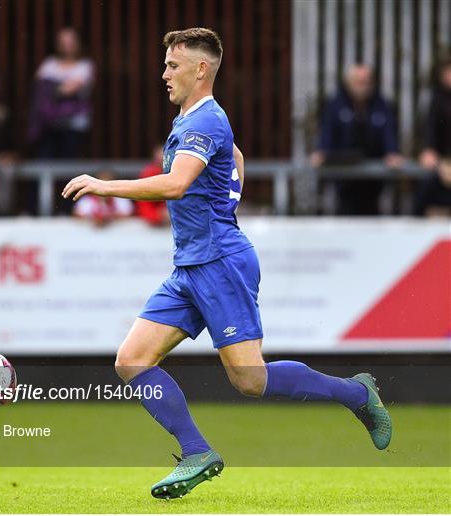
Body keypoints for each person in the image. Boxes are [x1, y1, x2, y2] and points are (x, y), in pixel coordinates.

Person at [62, 28, 392, 500]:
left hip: (220, 262)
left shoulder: (205, 122)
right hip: (190, 266)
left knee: (250, 381)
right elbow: (234, 158)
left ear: (201, 69)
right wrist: (226, 189)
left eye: (173, 65)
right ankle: (196, 451)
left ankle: (358, 394)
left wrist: (104, 185)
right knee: (132, 360)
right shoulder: (198, 121)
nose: (164, 74)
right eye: (165, 65)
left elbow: (176, 185)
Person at [310, 64, 403, 215]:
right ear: (348, 82)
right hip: (345, 176)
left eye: (365, 81)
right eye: (357, 81)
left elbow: (388, 132)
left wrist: (392, 152)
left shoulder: (381, 105)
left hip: (373, 179)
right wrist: (322, 151)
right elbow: (328, 130)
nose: (362, 86)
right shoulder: (336, 105)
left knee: (371, 215)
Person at [28, 27, 95, 158]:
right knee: (45, 159)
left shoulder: (85, 65)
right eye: (64, 42)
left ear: (78, 43)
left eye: (71, 41)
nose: (67, 45)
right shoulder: (49, 63)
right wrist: (58, 88)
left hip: (73, 123)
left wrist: (51, 87)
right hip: (48, 122)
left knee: (69, 161)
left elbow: (68, 90)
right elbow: (38, 87)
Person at [415, 59, 451, 216]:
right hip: (442, 165)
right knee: (426, 184)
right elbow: (429, 133)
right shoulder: (436, 100)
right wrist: (438, 160)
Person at [136, 145, 169, 226]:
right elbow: (142, 198)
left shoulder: (176, 172)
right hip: (152, 221)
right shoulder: (149, 173)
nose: (162, 157)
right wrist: (155, 216)